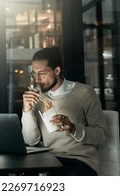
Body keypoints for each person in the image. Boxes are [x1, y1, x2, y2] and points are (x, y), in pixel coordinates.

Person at [22, 46, 109, 176]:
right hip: (47, 159)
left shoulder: (84, 93)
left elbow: (102, 135)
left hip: (79, 161)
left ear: (57, 70)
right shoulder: (37, 97)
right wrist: (27, 110)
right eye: (34, 73)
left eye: (42, 73)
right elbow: (30, 141)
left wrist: (74, 128)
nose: (37, 79)